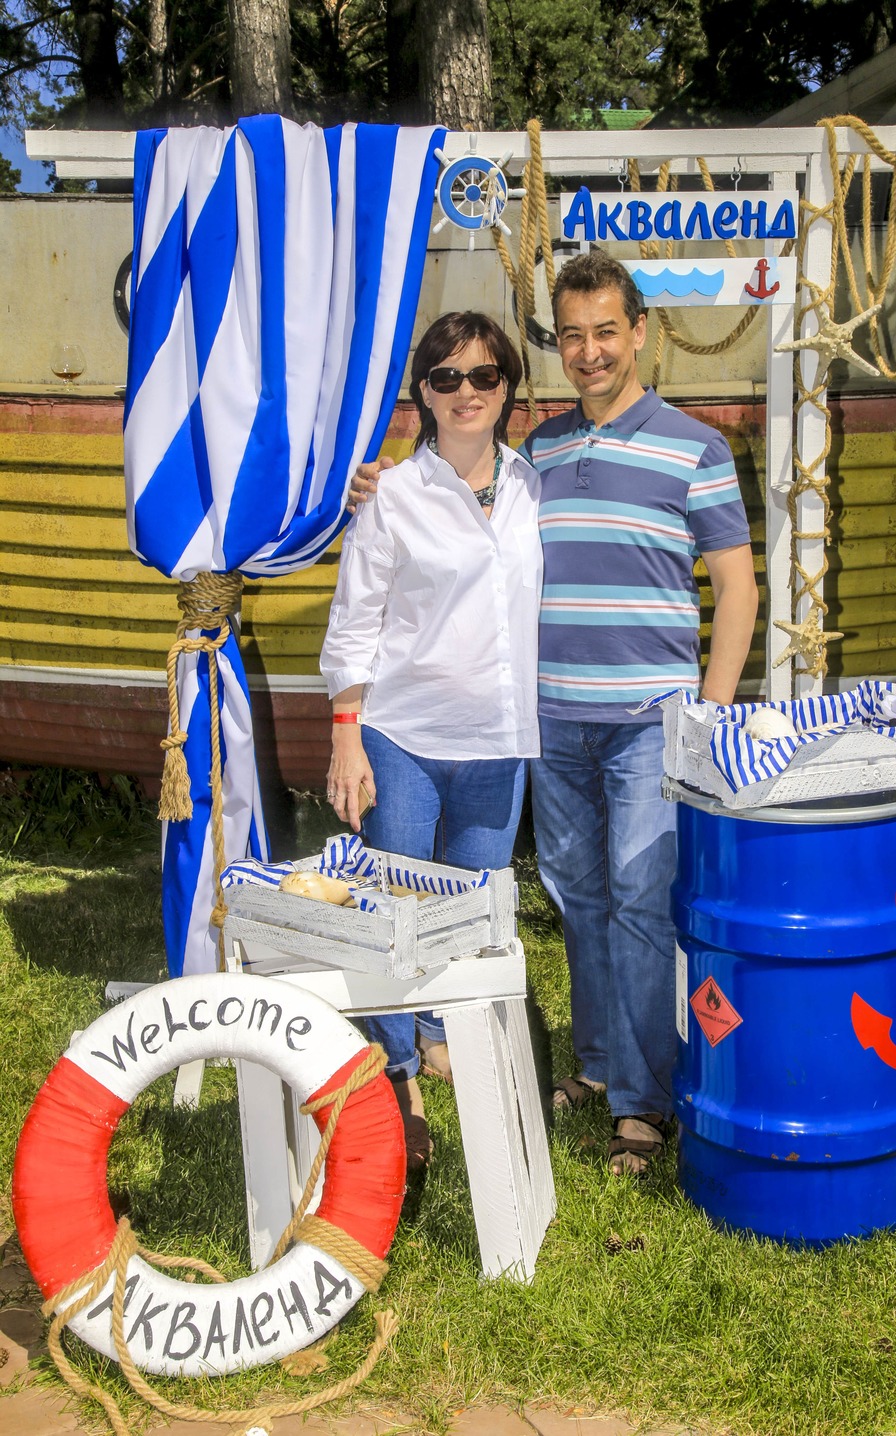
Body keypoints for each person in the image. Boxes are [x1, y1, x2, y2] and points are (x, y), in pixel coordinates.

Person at [349, 252, 758, 1177]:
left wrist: (712, 713)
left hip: (651, 718)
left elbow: (735, 586)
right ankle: (602, 1064)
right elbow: (455, 494)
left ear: (639, 331)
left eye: (605, 330)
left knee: (642, 901)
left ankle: (644, 1106)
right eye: (571, 335)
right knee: (576, 899)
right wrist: (390, 484)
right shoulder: (533, 456)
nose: (589, 351)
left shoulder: (695, 448)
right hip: (545, 723)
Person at [320, 311, 541, 1169]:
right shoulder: (392, 498)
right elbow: (353, 626)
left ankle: (448, 1033)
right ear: (422, 392)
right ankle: (400, 1072)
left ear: (507, 389)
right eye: (446, 379)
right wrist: (347, 738)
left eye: (483, 377)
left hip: (496, 741)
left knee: (471, 907)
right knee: (393, 911)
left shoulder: (532, 484)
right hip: (401, 735)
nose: (466, 394)